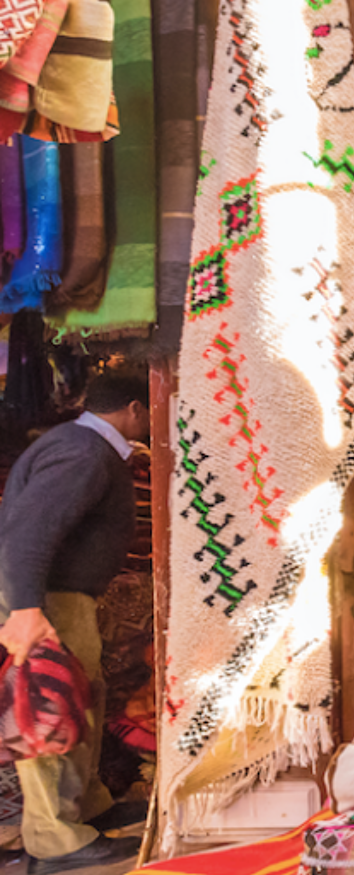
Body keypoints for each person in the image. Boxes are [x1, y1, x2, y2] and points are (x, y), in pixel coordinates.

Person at [0, 371, 151, 872]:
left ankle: (87, 807)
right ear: (134, 408)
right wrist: (25, 609)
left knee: (81, 701)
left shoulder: (82, 447)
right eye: (149, 414)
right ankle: (53, 838)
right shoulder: (84, 453)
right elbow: (28, 531)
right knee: (49, 710)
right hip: (48, 599)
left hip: (61, 596)